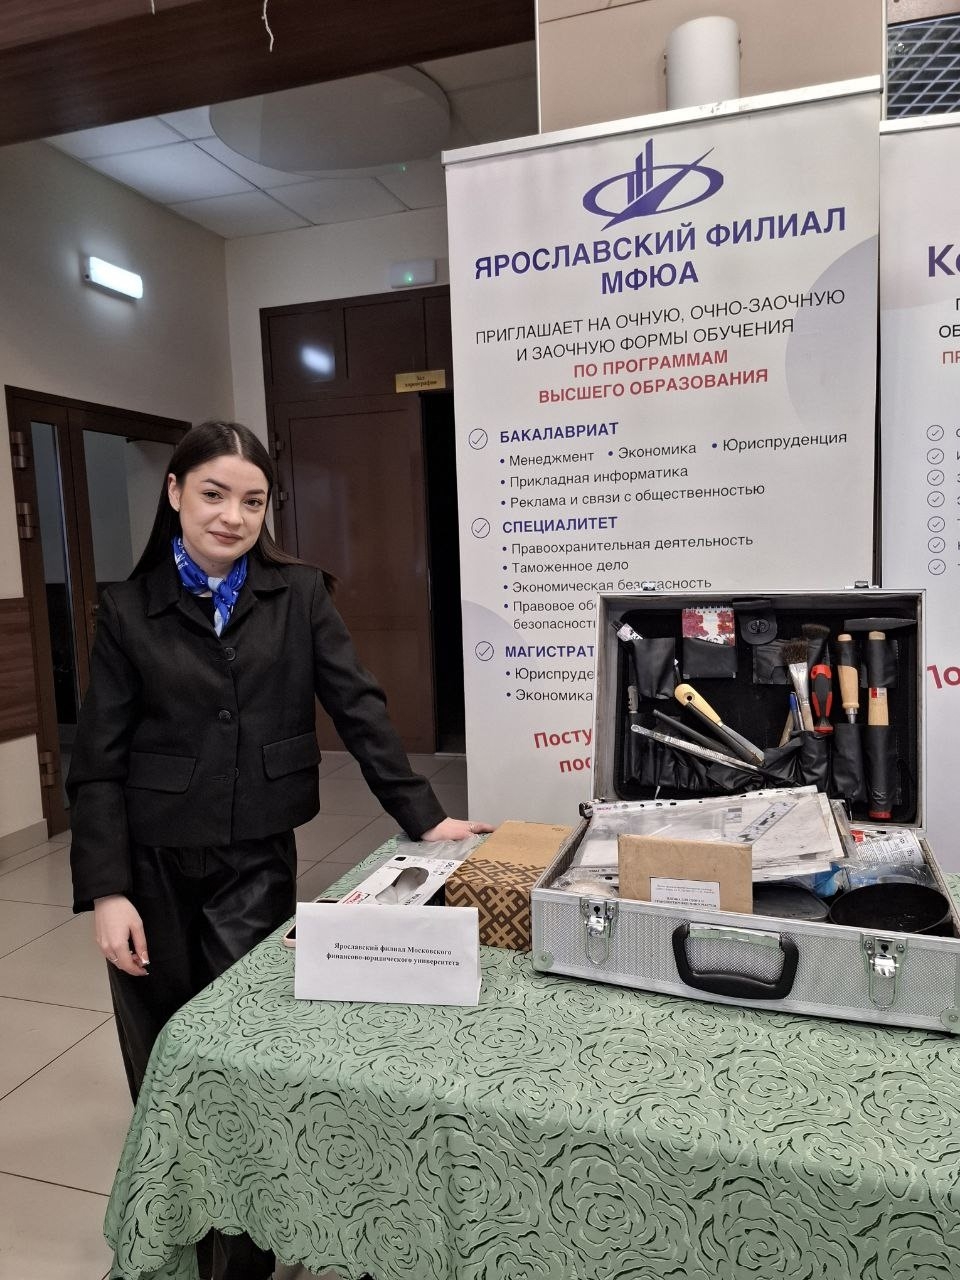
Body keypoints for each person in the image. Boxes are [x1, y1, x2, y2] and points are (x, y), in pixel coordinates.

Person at [68, 419, 492, 1280]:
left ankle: (248, 1246)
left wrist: (422, 816)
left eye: (253, 501)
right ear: (175, 492)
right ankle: (178, 1220)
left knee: (246, 1042)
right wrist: (108, 891)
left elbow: (358, 704)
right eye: (214, 494)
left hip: (254, 855)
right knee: (162, 1047)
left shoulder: (299, 594)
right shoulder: (128, 608)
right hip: (149, 862)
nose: (233, 516)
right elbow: (98, 761)